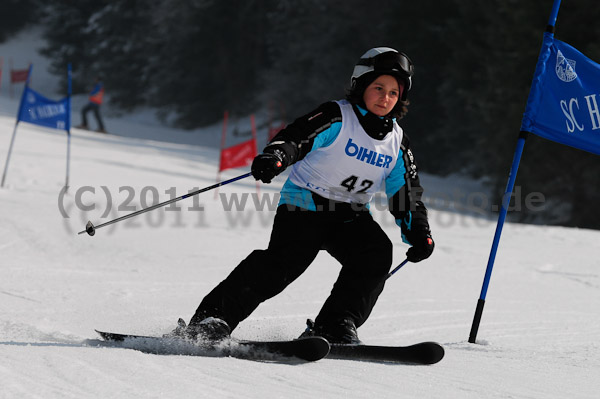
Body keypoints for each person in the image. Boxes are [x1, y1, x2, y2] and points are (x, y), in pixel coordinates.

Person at [172, 47, 434, 345]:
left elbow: (406, 195)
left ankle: (335, 325)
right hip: (305, 205)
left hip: (350, 215)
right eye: (378, 88)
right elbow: (297, 137)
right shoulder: (337, 116)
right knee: (282, 265)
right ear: (361, 85)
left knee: (375, 253)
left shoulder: (397, 143)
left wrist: (418, 232)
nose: (385, 98)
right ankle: (211, 320)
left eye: (393, 93)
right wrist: (278, 156)